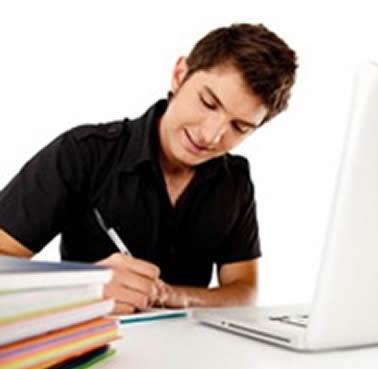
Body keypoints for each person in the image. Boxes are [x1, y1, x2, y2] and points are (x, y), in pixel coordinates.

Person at [0, 23, 298, 314]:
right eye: (208, 103)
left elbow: (244, 291)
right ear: (180, 75)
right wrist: (84, 290)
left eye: (239, 127)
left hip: (189, 345)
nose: (210, 136)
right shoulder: (82, 153)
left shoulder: (234, 180)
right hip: (92, 340)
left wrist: (173, 296)